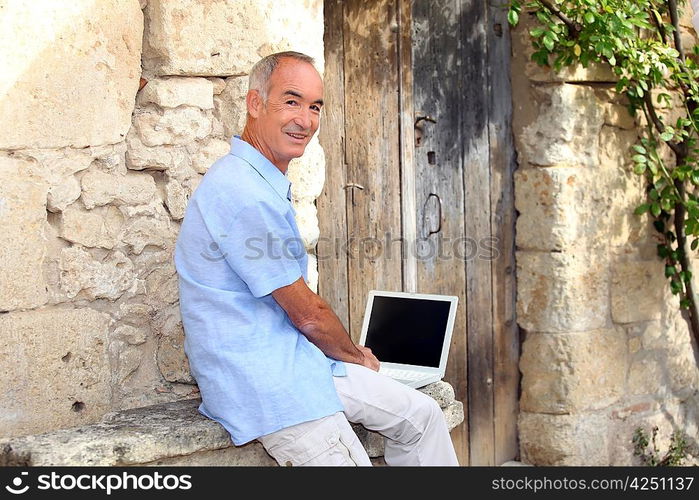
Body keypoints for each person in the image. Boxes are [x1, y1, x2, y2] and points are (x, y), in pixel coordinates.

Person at [174, 51, 458, 466]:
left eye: (314, 107)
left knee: (423, 416)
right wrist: (357, 355)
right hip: (271, 386)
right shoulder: (242, 192)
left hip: (302, 362)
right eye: (291, 101)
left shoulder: (260, 180)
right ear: (255, 104)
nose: (305, 120)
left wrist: (348, 358)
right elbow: (307, 315)